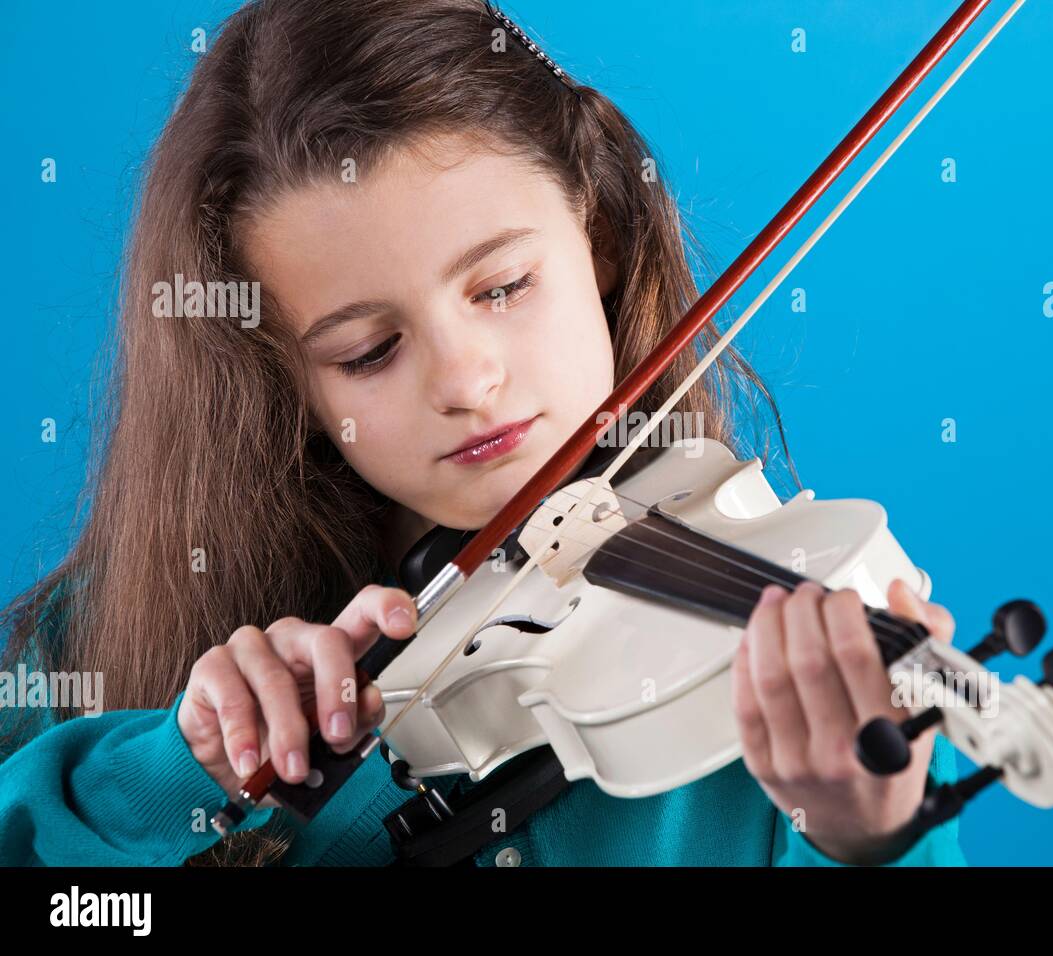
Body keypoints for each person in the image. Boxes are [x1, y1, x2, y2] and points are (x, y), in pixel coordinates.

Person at [0, 0, 964, 867]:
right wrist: (179, 776)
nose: (467, 382)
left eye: (502, 288)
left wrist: (872, 840)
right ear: (278, 380)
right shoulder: (96, 640)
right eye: (369, 351)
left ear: (604, 243)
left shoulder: (785, 661)